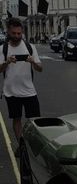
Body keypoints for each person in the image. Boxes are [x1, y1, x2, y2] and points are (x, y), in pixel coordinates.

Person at [0, 18, 43, 157]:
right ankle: (21, 146)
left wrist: (32, 62)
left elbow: (40, 69)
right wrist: (7, 62)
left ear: (22, 32)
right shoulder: (3, 48)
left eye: (19, 33)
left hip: (29, 91)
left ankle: (31, 144)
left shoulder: (30, 47)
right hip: (11, 92)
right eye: (14, 33)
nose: (17, 36)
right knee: (16, 119)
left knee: (35, 121)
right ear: (8, 32)